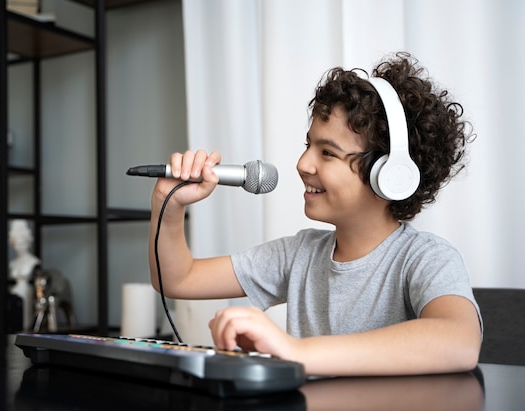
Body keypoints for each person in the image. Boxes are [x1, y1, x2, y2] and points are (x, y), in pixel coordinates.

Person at [148, 52, 482, 377]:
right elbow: (178, 278)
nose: (303, 164)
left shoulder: (425, 258)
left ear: (390, 175)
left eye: (327, 153)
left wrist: (295, 352)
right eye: (307, 146)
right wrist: (169, 202)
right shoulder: (300, 255)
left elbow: (460, 341)